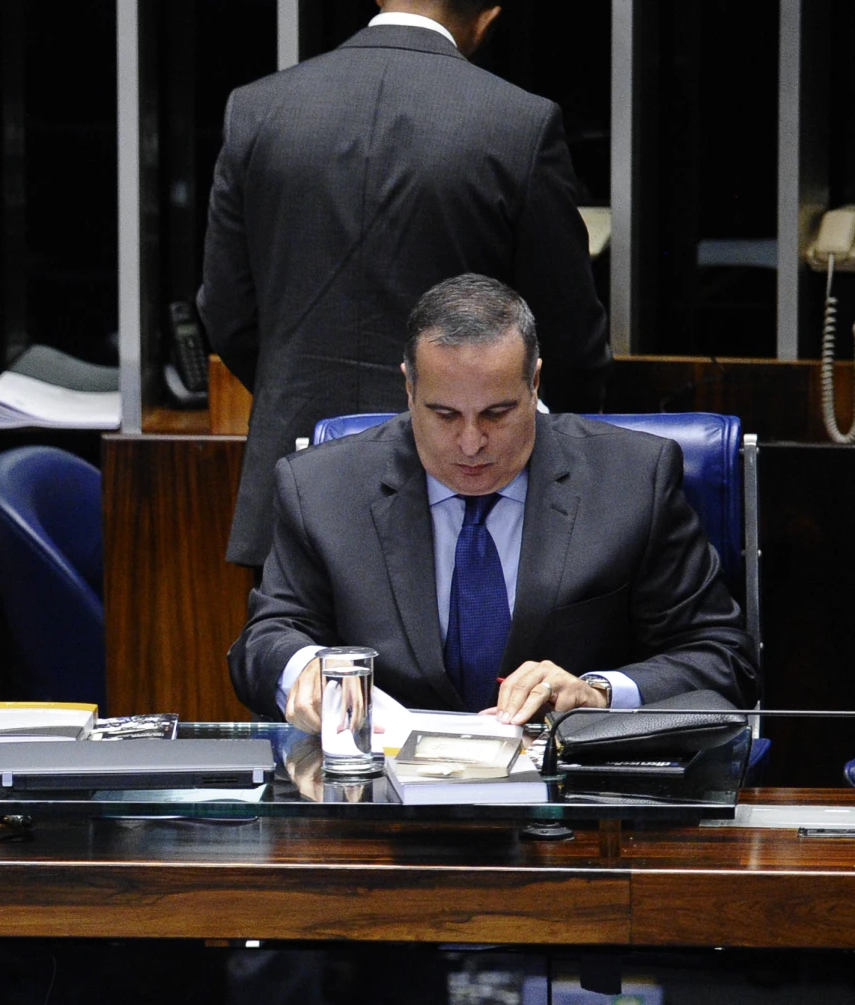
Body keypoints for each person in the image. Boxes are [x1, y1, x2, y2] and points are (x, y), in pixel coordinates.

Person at [200, 0, 610, 571]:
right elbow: (567, 338)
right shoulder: (518, 126)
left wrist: (305, 391)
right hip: (464, 495)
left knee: (307, 676)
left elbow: (225, 314)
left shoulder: (257, 109)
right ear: (486, 22)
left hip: (298, 487)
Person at [229, 274, 755, 727]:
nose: (472, 443)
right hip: (380, 810)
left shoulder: (633, 479)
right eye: (445, 415)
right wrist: (305, 668)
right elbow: (266, 639)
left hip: (575, 809)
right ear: (409, 389)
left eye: (497, 414)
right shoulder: (322, 487)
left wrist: (598, 693)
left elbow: (723, 658)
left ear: (535, 384)